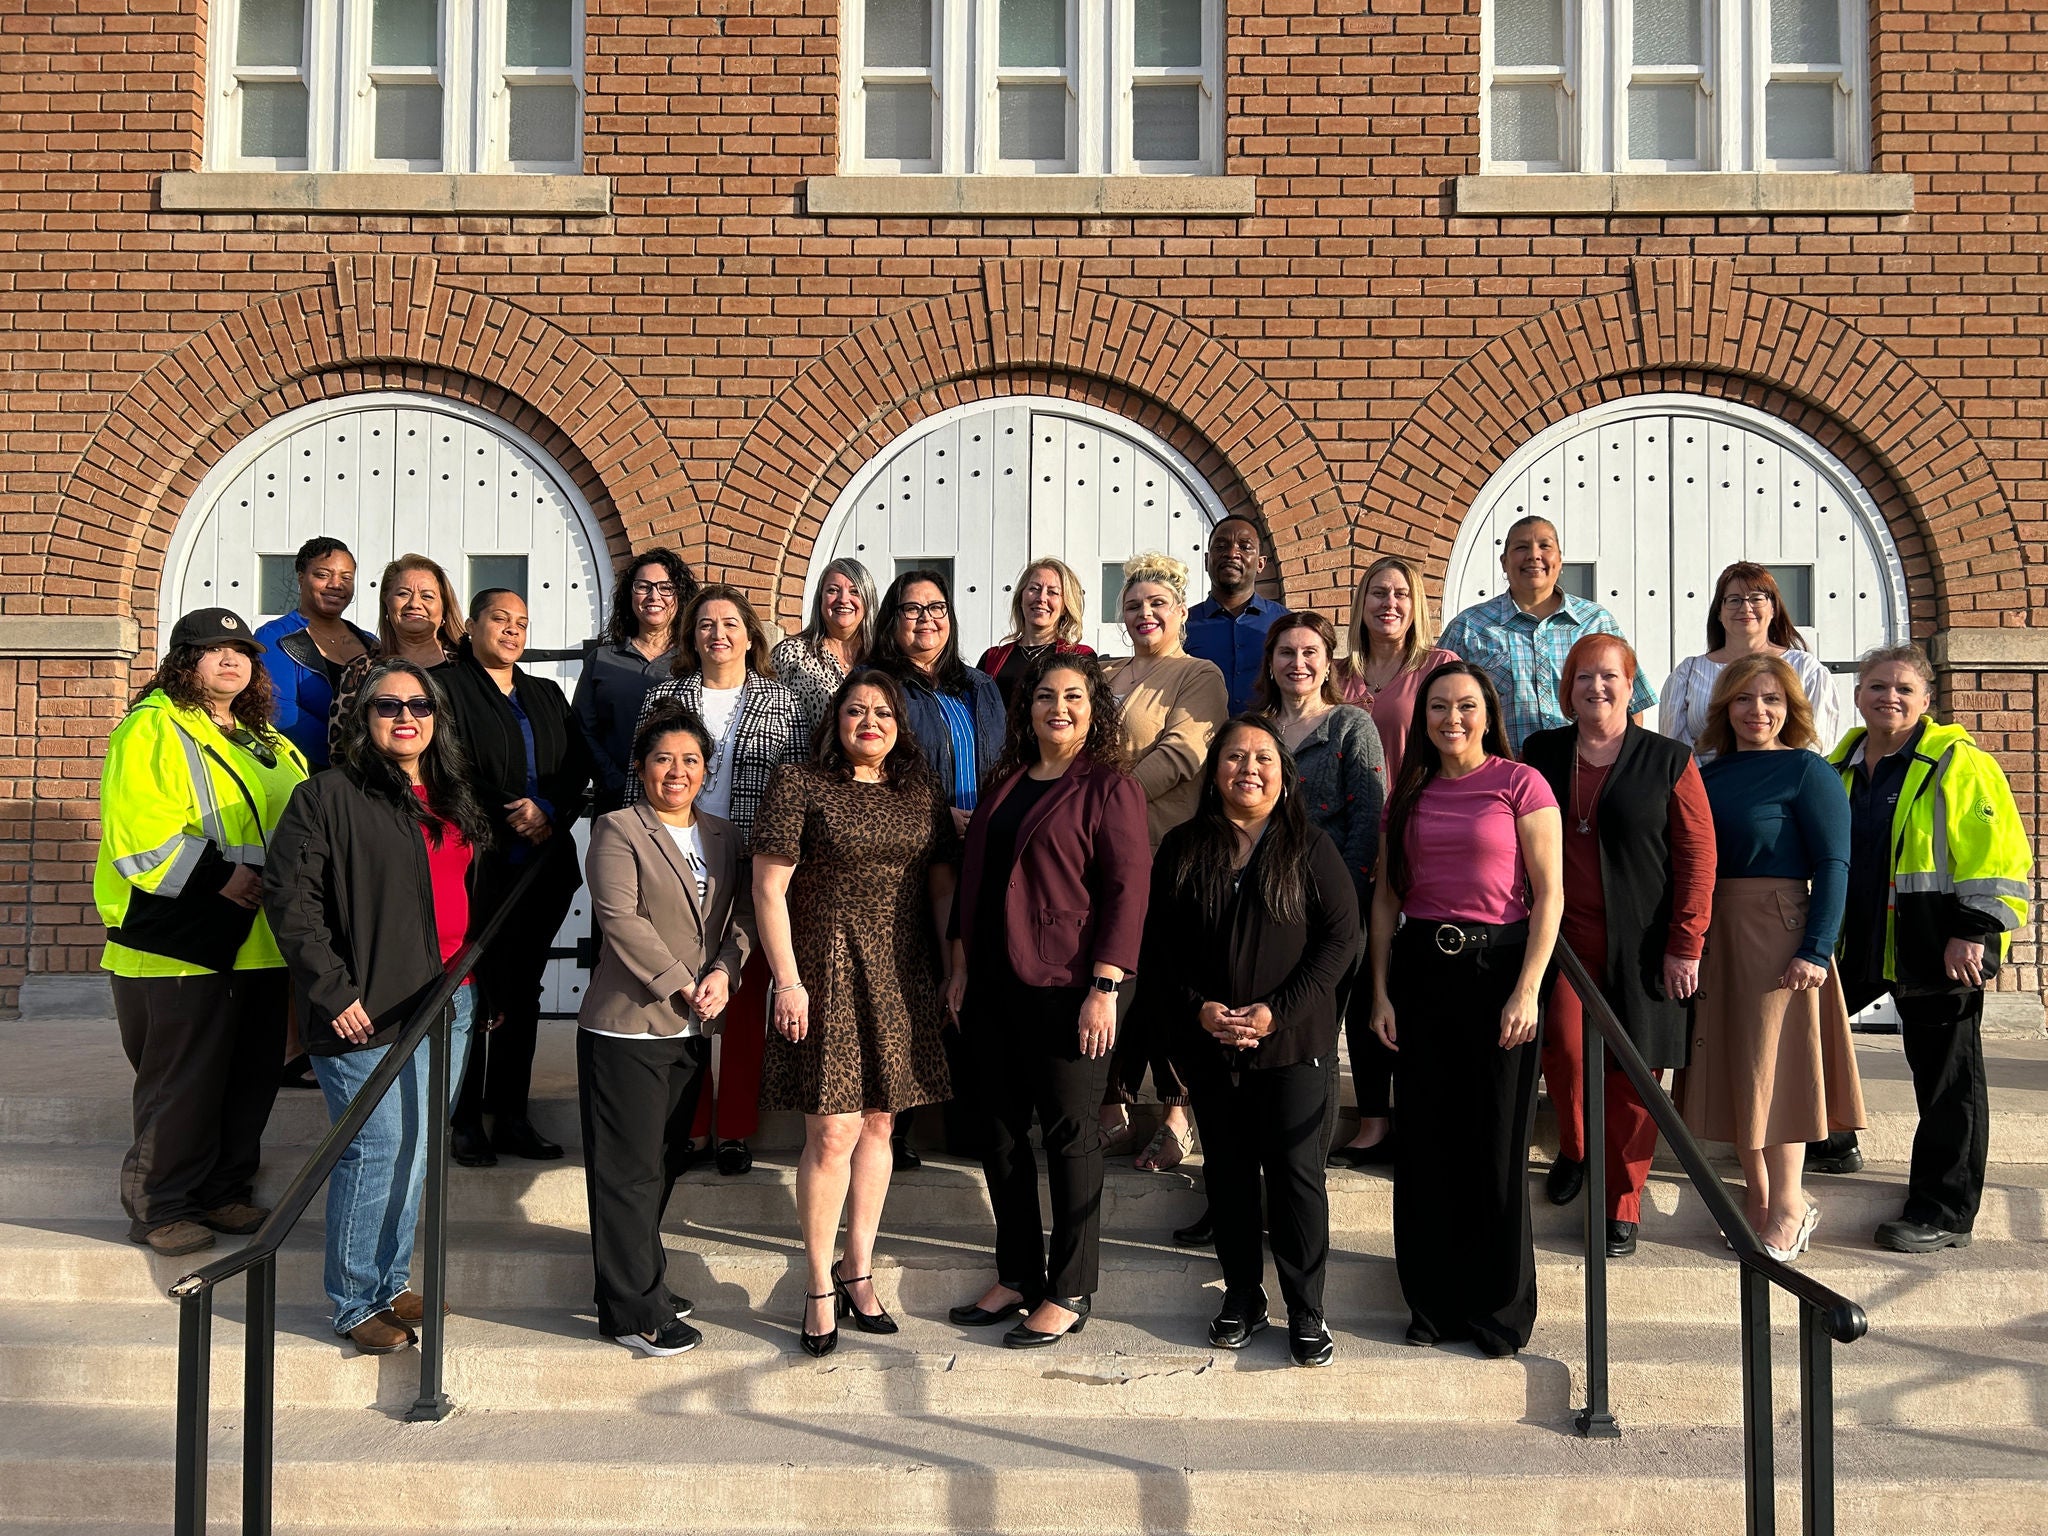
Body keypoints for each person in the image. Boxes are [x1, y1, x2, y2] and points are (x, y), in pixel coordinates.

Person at [264, 660, 494, 1355]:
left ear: (437, 718)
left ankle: (392, 1283)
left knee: (418, 1147)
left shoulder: (453, 797)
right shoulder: (327, 796)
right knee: (376, 1148)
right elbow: (290, 901)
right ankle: (354, 1299)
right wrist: (333, 992)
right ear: (363, 720)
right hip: (365, 1009)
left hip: (447, 1002)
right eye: (387, 705)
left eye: (419, 705)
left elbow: (467, 901)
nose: (405, 716)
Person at [945, 654, 1151, 1350]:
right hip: (995, 987)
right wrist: (962, 963)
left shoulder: (1109, 789)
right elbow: (979, 882)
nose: (1056, 708)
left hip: (1069, 989)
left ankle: (1069, 1286)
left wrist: (1105, 985)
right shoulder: (1005, 786)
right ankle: (1016, 1273)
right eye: (1043, 697)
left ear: (1094, 711)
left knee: (1069, 1138)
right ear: (1025, 710)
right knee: (1000, 1138)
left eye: (1072, 697)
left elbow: (1127, 892)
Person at [753, 669, 959, 1356]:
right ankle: (817, 1283)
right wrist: (786, 979)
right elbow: (768, 889)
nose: (869, 721)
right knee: (833, 1131)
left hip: (901, 969)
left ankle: (857, 1269)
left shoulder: (918, 793)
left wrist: (950, 968)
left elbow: (939, 890)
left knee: (880, 1123)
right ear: (834, 720)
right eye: (855, 711)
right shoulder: (800, 783)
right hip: (826, 967)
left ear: (900, 726)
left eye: (883, 711)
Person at [1146, 717, 1359, 1367]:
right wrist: (1200, 1011)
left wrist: (1278, 1013)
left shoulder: (1310, 846)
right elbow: (1159, 949)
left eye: (1263, 757)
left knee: (1296, 1179)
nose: (1248, 768)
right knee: (1230, 1177)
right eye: (1234, 757)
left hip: (1293, 1046)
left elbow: (1340, 941)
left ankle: (1306, 1308)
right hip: (1211, 1045)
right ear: (1214, 773)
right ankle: (1243, 1295)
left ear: (1284, 774)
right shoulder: (1185, 847)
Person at [96, 608, 309, 1256]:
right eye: (212, 650)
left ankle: (223, 1192)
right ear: (182, 661)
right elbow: (142, 833)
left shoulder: (261, 736)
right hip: (178, 939)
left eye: (240, 651)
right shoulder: (152, 728)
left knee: (248, 1077)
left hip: (258, 941)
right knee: (182, 1082)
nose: (229, 660)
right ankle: (160, 1206)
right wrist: (223, 876)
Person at [1369, 661, 1562, 1356]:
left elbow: (1550, 897)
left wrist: (1529, 988)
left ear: (1488, 712)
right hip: (1422, 971)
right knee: (1425, 1145)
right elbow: (1387, 898)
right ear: (1422, 720)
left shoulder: (1521, 784)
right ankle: (1432, 1305)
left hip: (1498, 971)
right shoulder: (1409, 792)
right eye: (1439, 708)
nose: (1452, 719)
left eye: (1466, 706)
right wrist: (1381, 990)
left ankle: (1498, 1311)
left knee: (1496, 1143)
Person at [1808, 645, 2028, 1254]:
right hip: (1855, 939)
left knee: (1947, 1081)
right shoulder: (1838, 765)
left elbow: (1999, 859)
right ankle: (1832, 1140)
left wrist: (1975, 931)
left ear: (1928, 700)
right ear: (1858, 696)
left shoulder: (1961, 764)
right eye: (1878, 686)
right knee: (1806, 1033)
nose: (1890, 697)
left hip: (1939, 942)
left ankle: (1943, 1210)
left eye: (1904, 688)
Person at [1521, 636, 1716, 1257]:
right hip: (1562, 944)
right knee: (1567, 1053)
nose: (1596, 688)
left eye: (1610, 677)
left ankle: (1622, 1202)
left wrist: (1686, 943)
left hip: (1643, 945)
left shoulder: (1668, 759)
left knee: (1634, 1077)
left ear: (1632, 687)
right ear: (1568, 688)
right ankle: (1577, 1151)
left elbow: (1697, 855)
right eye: (1583, 677)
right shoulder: (1541, 752)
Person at [1674, 655, 1866, 1263]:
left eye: (1772, 701)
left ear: (1791, 708)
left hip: (1780, 933)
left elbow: (1835, 863)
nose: (1758, 711)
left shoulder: (1808, 771)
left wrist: (1817, 947)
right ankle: (1756, 1197)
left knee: (1777, 1068)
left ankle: (1790, 1202)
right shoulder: (1706, 773)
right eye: (1744, 700)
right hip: (1718, 931)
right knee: (1738, 1065)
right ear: (1724, 707)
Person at [577, 704, 754, 1356]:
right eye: (662, 759)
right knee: (625, 1174)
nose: (676, 771)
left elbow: (743, 919)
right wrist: (683, 979)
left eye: (689, 760)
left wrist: (727, 973)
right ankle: (636, 1314)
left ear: (707, 770)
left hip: (691, 1028)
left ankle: (627, 1285)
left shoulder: (724, 835)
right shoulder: (617, 829)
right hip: (628, 1027)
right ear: (640, 767)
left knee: (657, 1168)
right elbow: (620, 918)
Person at [633, 585, 808, 1176]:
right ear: (691, 635)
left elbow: (798, 786)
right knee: (685, 994)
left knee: (742, 996)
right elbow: (641, 778)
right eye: (705, 624)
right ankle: (691, 1125)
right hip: (679, 856)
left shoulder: (782, 701)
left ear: (750, 633)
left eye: (730, 623)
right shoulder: (665, 695)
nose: (718, 635)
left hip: (756, 863)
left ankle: (732, 1128)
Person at [435, 588, 592, 1167]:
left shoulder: (545, 693)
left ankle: (512, 1114)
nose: (511, 631)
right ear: (472, 626)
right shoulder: (447, 691)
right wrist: (514, 811)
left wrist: (548, 810)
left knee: (521, 991)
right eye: (499, 619)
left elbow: (577, 766)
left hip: (541, 870)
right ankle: (465, 1116)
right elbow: (449, 767)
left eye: (521, 622)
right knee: (475, 990)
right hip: (479, 864)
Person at [1095, 553, 1228, 1175]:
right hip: (1098, 857)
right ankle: (1110, 1104)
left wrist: (1103, 801)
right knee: (1112, 981)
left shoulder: (1198, 674)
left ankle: (1178, 1113)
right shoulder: (1105, 670)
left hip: (1164, 850)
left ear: (1180, 612)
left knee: (1166, 985)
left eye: (1157, 605)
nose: (1144, 614)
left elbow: (1182, 753)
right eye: (1132, 605)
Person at [1252, 613, 1387, 1168]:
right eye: (1287, 652)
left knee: (1312, 1043)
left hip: (1329, 909)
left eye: (1310, 652)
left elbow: (1367, 817)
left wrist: (1343, 902)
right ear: (1271, 662)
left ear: (1328, 660)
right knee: (1263, 1037)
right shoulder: (1254, 728)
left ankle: (1302, 1179)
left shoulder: (1351, 725)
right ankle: (1255, 1171)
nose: (1298, 663)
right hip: (1260, 908)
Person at [1439, 516, 1656, 754]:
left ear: (1560, 559)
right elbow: (1434, 705)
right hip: (1502, 777)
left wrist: (1620, 766)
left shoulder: (1595, 622)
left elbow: (1632, 704)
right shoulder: (1470, 627)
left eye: (1545, 546)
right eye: (1521, 547)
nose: (1533, 555)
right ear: (1504, 561)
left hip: (1583, 773)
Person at [873, 567, 1006, 836]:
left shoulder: (981, 686)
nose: (926, 618)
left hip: (983, 843)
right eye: (912, 608)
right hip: (913, 848)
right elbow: (861, 774)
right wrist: (936, 816)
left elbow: (1007, 762)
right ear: (892, 620)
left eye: (936, 607)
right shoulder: (873, 686)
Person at [1660, 562, 1841, 754]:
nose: (1745, 608)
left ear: (1773, 609)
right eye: (1734, 600)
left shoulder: (1805, 668)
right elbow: (1673, 749)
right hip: (1705, 780)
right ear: (1719, 613)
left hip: (1781, 778)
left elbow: (1816, 744)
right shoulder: (1688, 673)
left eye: (1756, 598)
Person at [573, 549, 698, 816]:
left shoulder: (694, 661)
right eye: (643, 586)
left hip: (680, 803)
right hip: (615, 803)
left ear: (680, 595)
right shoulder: (602, 659)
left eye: (666, 587)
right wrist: (615, 780)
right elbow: (583, 731)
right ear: (629, 595)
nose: (654, 596)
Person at [1334, 554, 1459, 788]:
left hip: (1415, 813)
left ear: (1415, 606)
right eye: (1379, 593)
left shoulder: (1440, 667)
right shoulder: (1334, 674)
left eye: (1401, 594)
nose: (1389, 603)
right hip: (1346, 818)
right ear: (1362, 603)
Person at [326, 553, 465, 757]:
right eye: (403, 594)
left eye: (427, 596)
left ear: (444, 608)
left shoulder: (468, 666)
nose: (414, 603)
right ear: (387, 603)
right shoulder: (360, 671)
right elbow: (341, 750)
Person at [255, 536, 375, 771]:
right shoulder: (274, 636)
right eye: (322, 575)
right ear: (301, 578)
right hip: (310, 774)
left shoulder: (370, 642)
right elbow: (280, 712)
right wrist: (348, 757)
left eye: (346, 577)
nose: (336, 584)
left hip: (370, 772)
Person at [1184, 515, 1285, 715]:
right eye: (1220, 547)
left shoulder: (1284, 624)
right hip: (1197, 742)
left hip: (1268, 741)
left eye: (1245, 547)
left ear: (1261, 564)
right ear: (1206, 560)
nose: (1232, 554)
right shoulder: (1182, 624)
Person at [772, 557, 876, 735]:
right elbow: (768, 718)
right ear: (820, 599)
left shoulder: (883, 657)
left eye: (854, 591)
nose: (843, 599)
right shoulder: (790, 654)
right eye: (833, 590)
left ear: (868, 600)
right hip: (806, 761)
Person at [976, 557, 1096, 708]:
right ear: (1021, 597)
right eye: (1034, 589)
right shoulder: (991, 658)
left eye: (1052, 592)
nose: (1041, 598)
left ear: (1065, 606)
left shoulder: (1080, 656)